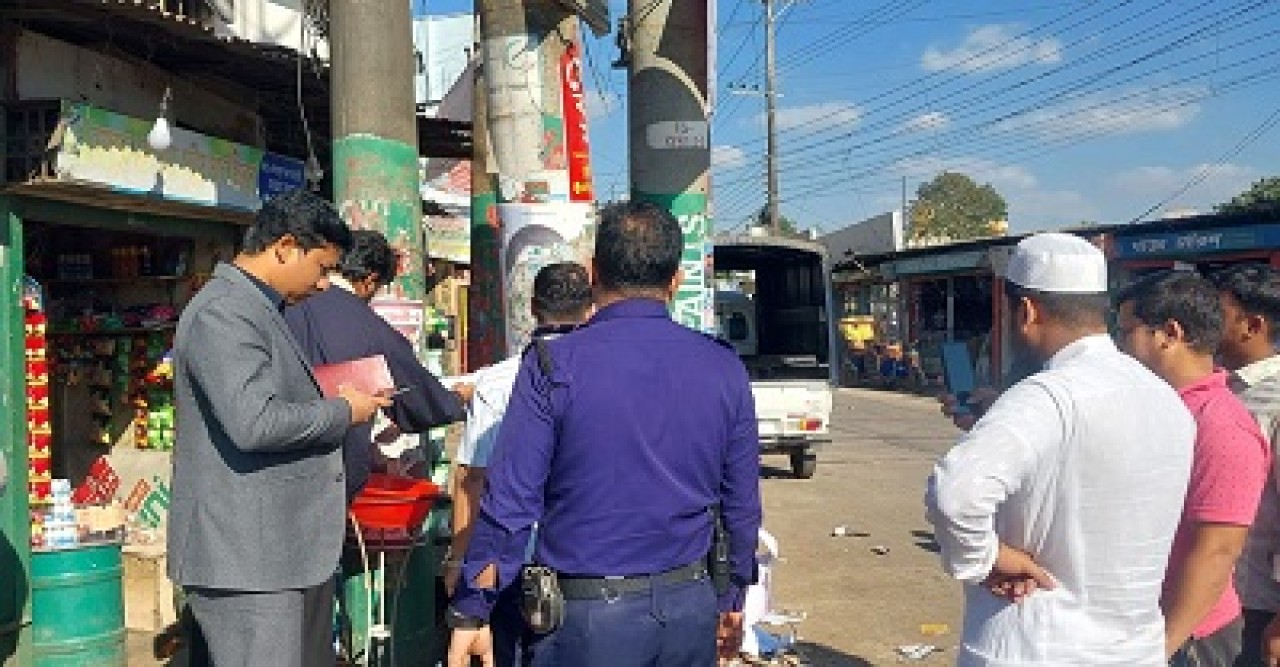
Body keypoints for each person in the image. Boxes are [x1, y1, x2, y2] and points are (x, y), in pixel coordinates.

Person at [446, 201, 763, 667]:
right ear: (675, 280)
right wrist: (733, 595)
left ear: (594, 273)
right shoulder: (723, 367)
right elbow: (741, 504)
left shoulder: (552, 365)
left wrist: (474, 608)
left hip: (586, 622)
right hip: (688, 610)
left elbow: (510, 503)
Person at [925, 233, 1196, 666]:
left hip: (1035, 646)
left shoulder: (1046, 395)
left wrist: (986, 558)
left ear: (1027, 311)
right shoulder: (1165, 399)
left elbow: (956, 494)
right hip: (1134, 651)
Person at [167, 189, 390, 667]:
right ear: (285, 247)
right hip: (248, 558)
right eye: (322, 267)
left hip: (277, 553)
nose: (326, 284)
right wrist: (341, 411)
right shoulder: (224, 311)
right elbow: (254, 422)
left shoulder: (259, 307)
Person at [1114, 270, 1269, 665]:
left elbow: (1216, 551)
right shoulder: (1156, 408)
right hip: (1141, 622)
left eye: (1126, 332)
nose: (1117, 348)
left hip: (1192, 638)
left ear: (1168, 333)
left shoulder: (1219, 424)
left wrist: (1161, 647)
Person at [446, 261, 593, 667]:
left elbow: (472, 480)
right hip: (579, 560)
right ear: (591, 310)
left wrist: (461, 561)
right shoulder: (602, 377)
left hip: (503, 564)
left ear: (532, 308)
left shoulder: (493, 381)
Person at [283, 229, 466, 502]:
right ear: (369, 281)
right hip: (329, 476)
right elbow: (420, 404)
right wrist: (458, 397)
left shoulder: (280, 305)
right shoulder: (370, 329)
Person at [1208, 264, 1280, 666]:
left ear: (1252, 325)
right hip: (1220, 598)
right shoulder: (1221, 387)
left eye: (1220, 314)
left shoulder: (1276, 397)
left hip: (1260, 606)